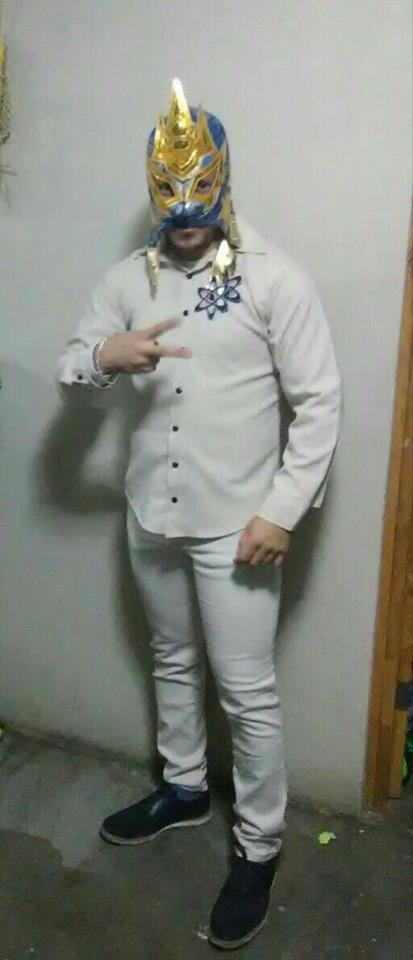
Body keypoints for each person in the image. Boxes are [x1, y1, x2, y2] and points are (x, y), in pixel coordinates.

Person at [58, 78, 341, 951]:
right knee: (172, 660)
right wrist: (104, 355)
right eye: (170, 194)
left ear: (222, 180)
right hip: (151, 513)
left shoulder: (274, 278)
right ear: (152, 188)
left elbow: (319, 402)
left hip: (238, 526)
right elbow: (71, 369)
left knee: (246, 694)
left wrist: (282, 513)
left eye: (200, 191)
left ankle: (258, 843)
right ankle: (183, 788)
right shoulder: (124, 280)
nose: (186, 214)